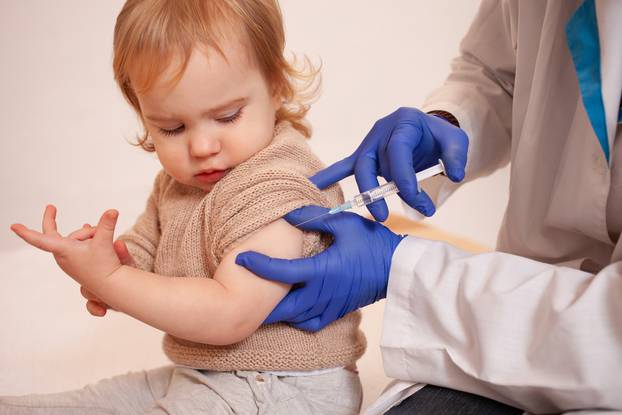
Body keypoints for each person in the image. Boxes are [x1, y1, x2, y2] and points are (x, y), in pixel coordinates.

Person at [235, 1, 622, 414]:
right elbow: (497, 71)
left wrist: (399, 268)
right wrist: (448, 121)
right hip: (515, 292)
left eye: (227, 115)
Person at [3, 0, 366, 413]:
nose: (201, 147)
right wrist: (106, 263)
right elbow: (143, 253)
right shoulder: (177, 185)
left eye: (227, 116)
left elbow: (231, 312)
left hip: (283, 386)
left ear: (276, 85)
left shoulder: (279, 184)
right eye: (171, 128)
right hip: (208, 371)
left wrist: (111, 280)